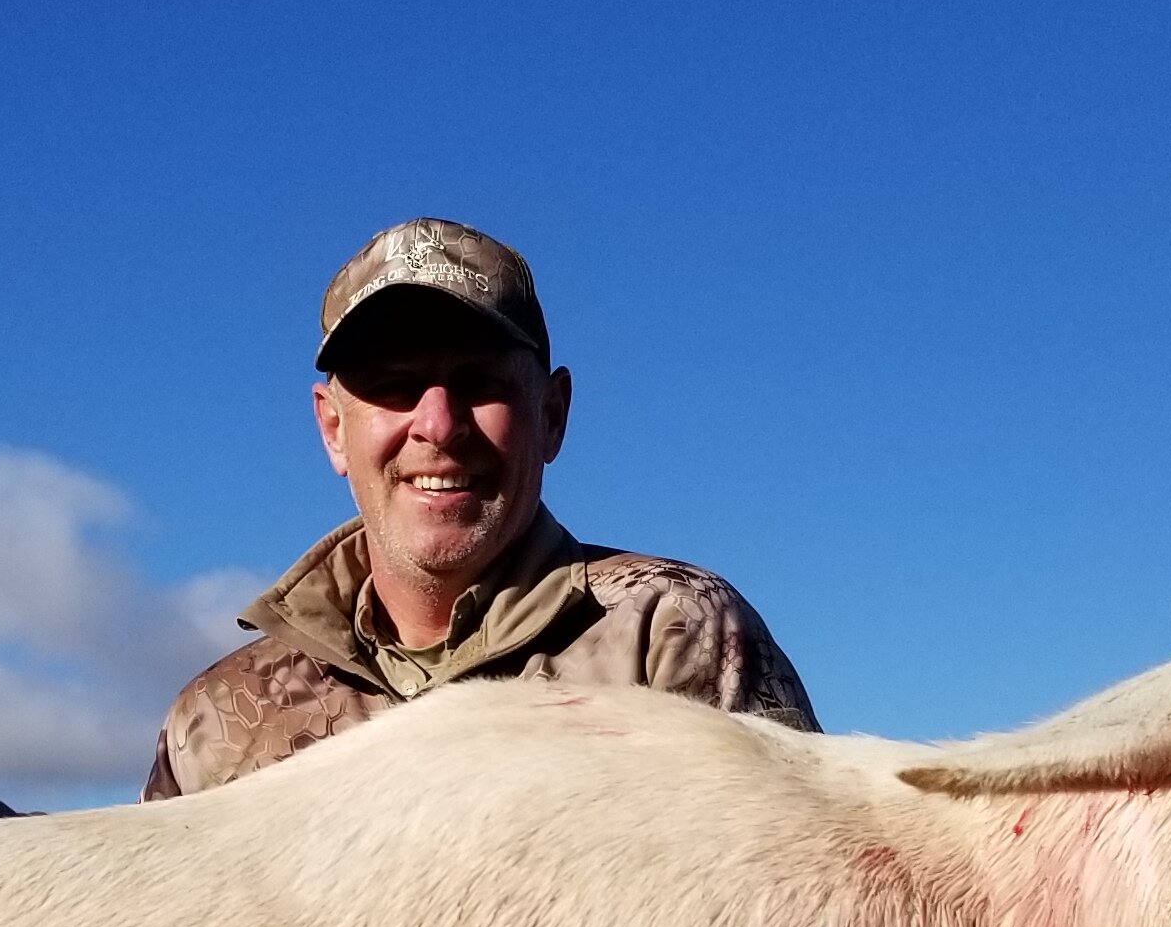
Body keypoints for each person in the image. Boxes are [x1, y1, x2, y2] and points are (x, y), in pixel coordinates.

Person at [145, 218, 816, 797]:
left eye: (481, 385)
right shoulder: (215, 720)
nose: (438, 425)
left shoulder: (674, 634)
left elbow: (800, 915)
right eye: (394, 388)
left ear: (552, 416)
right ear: (332, 429)